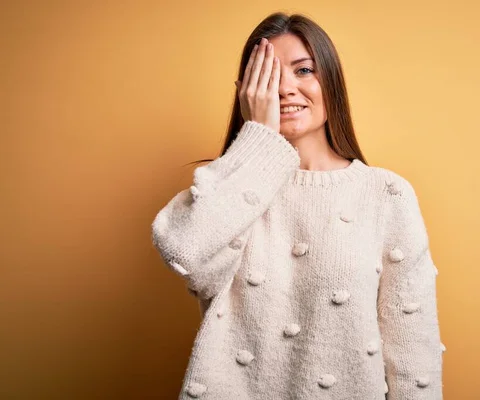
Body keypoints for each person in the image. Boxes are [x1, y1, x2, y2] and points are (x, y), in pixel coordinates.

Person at [151, 11, 444, 400]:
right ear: (247, 92)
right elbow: (184, 250)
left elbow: (413, 352)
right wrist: (258, 138)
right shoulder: (229, 189)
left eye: (303, 70)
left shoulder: (386, 195)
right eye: (269, 76)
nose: (286, 88)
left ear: (331, 82)